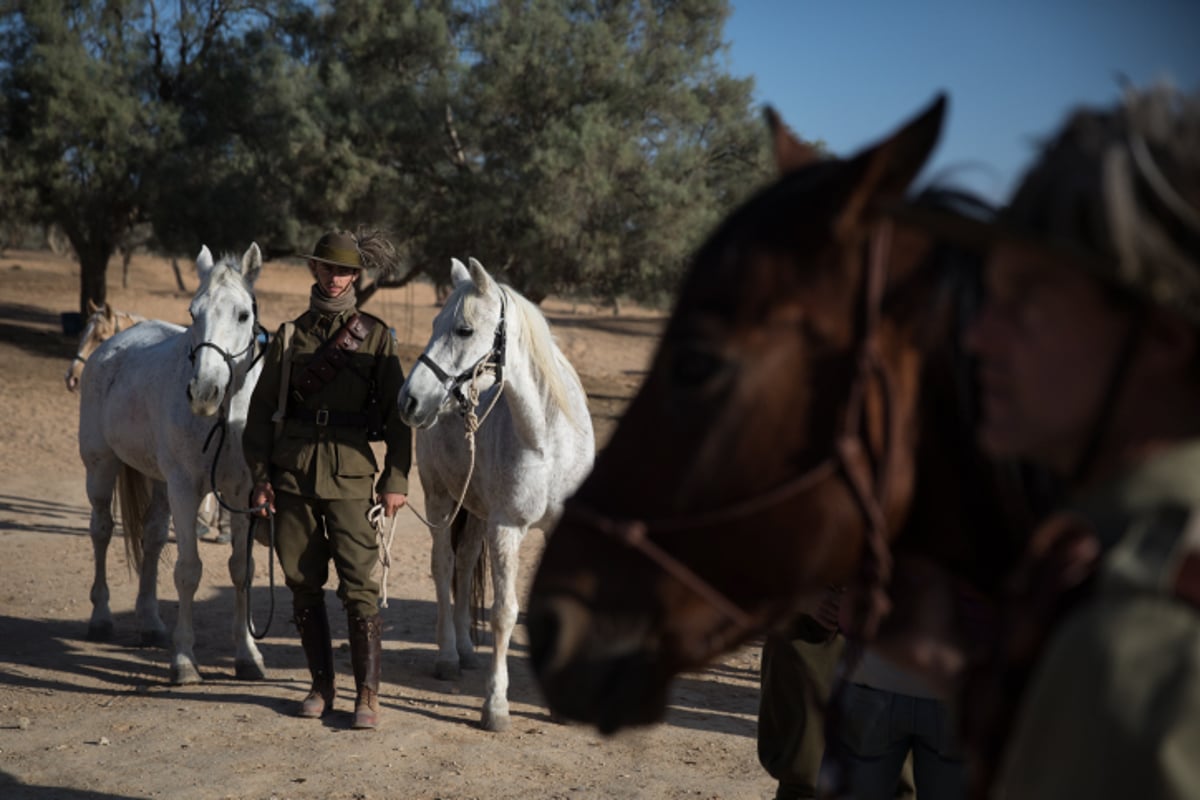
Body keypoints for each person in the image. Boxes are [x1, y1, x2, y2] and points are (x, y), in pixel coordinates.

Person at [954, 84, 1200, 797]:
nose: (980, 337)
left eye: (1027, 299)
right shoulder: (1098, 564)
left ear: (1161, 335)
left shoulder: (1141, 639)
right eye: (989, 297)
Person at [242, 228, 413, 730]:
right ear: (313, 270)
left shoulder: (376, 337)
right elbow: (257, 417)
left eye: (344, 271)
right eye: (326, 268)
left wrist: (396, 477)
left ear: (355, 276)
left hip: (352, 478)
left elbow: (399, 417)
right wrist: (260, 477)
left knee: (360, 585)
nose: (335, 278)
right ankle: (321, 685)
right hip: (292, 475)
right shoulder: (289, 336)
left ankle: (367, 693)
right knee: (302, 581)